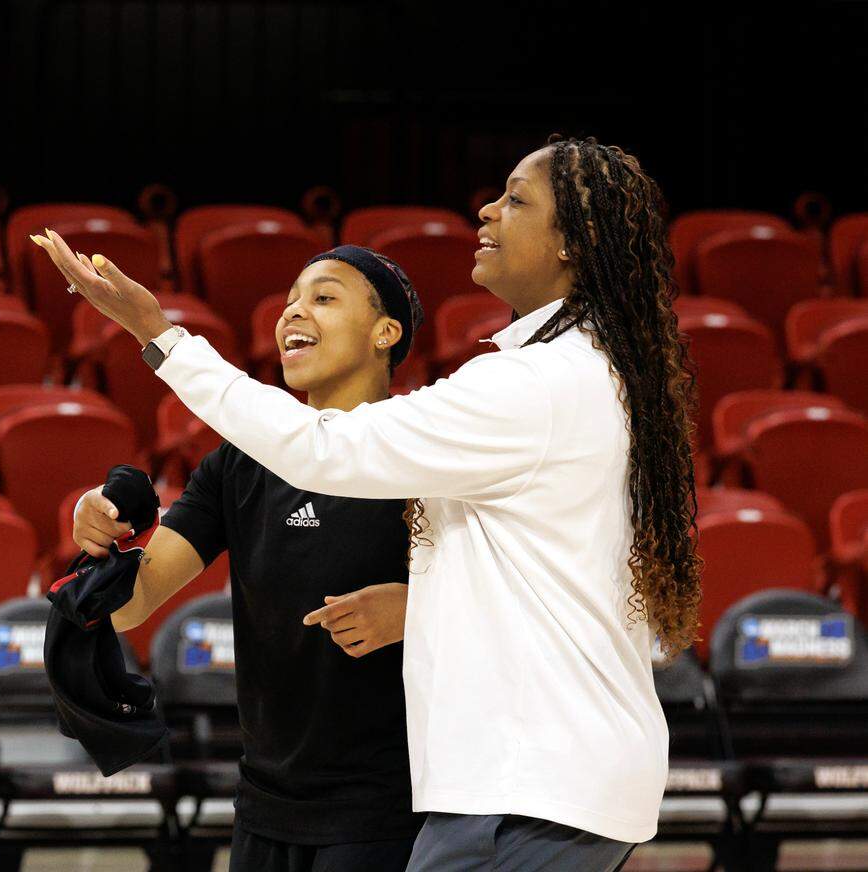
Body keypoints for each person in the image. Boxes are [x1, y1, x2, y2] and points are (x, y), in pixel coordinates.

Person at [35, 133, 704, 870]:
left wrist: (158, 334)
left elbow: (325, 450)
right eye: (290, 298)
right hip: (350, 799)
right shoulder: (573, 379)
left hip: (486, 793)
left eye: (515, 199)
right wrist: (101, 537)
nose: (486, 210)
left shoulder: (507, 402)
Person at [65, 245, 429, 870]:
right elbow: (132, 605)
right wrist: (100, 536)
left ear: (385, 332)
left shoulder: (426, 452)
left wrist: (418, 611)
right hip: (263, 805)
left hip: (389, 811)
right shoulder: (241, 460)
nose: (293, 313)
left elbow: (510, 605)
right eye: (290, 300)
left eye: (323, 298)